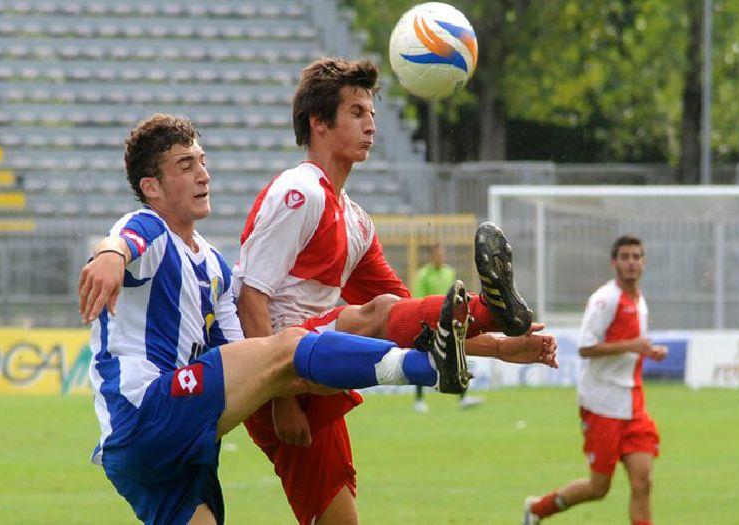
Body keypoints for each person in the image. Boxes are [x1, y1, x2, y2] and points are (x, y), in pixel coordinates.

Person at [76, 113, 476, 525]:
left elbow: (248, 356)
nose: (203, 175)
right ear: (151, 187)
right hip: (147, 407)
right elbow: (123, 239)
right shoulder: (152, 228)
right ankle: (426, 366)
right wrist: (110, 255)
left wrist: (303, 384)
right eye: (185, 165)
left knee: (282, 358)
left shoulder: (214, 265)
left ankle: (422, 361)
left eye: (202, 161)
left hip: (161, 446)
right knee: (286, 346)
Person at [236, 57, 544, 525]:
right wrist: (277, 394)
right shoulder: (299, 193)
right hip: (278, 372)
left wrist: (500, 349)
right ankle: (492, 306)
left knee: (339, 520)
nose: (371, 125)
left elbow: (417, 320)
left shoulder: (356, 220)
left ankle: (494, 313)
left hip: (315, 371)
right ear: (319, 123)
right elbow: (249, 298)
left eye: (372, 114)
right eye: (357, 113)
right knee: (375, 311)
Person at [523, 235, 668, 525]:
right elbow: (585, 347)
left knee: (643, 482)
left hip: (633, 404)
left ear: (644, 262)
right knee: (599, 487)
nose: (631, 262)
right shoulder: (606, 299)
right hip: (602, 404)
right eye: (625, 257)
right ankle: (538, 509)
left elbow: (631, 344)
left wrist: (647, 350)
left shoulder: (639, 300)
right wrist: (632, 345)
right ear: (614, 262)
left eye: (636, 257)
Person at [411, 243, 484, 412]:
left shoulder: (448, 272)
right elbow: (419, 300)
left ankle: (463, 397)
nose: (440, 256)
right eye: (437, 253)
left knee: (458, 357)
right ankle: (419, 400)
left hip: (449, 323)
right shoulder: (423, 275)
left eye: (442, 253)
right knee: (423, 359)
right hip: (430, 323)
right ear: (431, 256)